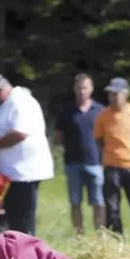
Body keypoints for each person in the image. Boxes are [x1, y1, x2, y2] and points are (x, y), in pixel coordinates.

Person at [0, 74, 54, 236]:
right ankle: (15, 253)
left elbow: (19, 134)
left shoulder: (20, 101)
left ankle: (28, 255)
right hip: (12, 172)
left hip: (25, 172)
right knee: (13, 218)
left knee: (23, 220)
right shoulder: (6, 104)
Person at [93, 77, 130, 243]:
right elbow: (99, 139)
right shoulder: (103, 115)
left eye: (116, 94)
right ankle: (116, 243)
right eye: (110, 94)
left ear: (125, 94)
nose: (113, 97)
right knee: (112, 208)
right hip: (112, 166)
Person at [54, 73, 106, 234]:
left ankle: (100, 236)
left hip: (95, 162)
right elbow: (58, 137)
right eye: (78, 88)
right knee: (75, 202)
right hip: (72, 163)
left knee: (98, 202)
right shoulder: (67, 111)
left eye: (84, 88)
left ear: (91, 89)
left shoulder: (100, 111)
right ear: (74, 89)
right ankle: (80, 235)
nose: (81, 91)